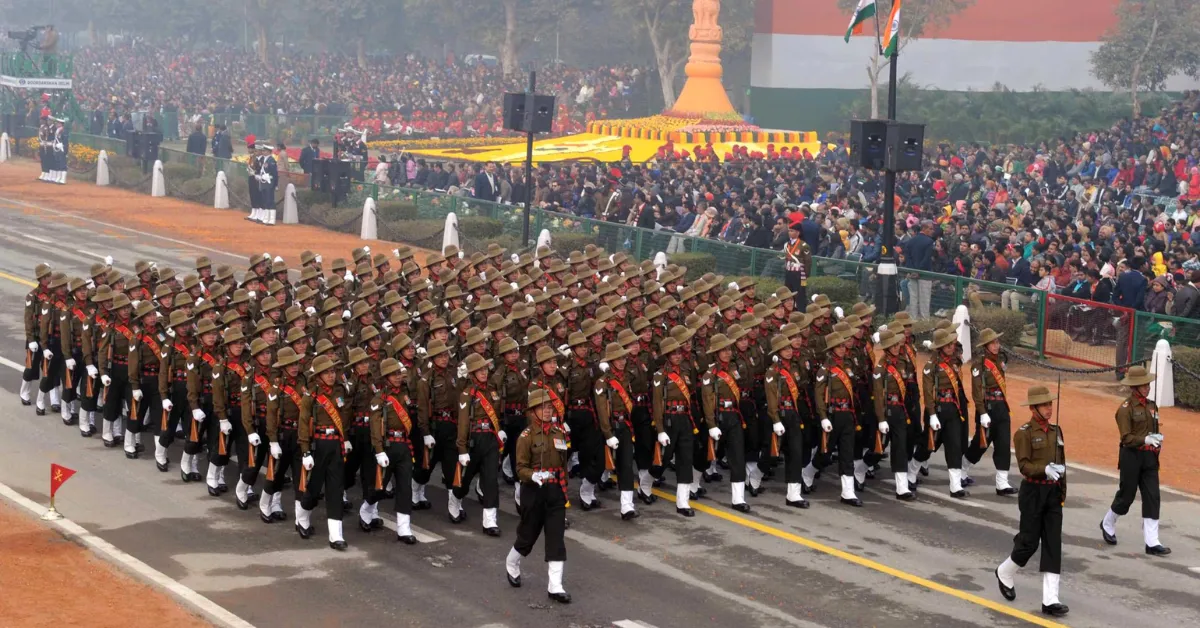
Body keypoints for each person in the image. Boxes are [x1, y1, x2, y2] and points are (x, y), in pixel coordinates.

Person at [994, 385, 1068, 618]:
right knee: (1028, 542)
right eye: (1045, 405)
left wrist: (1062, 491)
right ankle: (1004, 571)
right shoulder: (1024, 433)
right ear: (1034, 407)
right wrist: (1044, 470)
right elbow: (1024, 465)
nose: (1049, 408)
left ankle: (1050, 599)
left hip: (1052, 493)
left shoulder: (1057, 431)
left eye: (1050, 404)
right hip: (1033, 492)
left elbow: (1062, 464)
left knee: (1053, 544)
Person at [505, 388, 571, 604]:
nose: (547, 410)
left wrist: (563, 490)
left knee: (556, 538)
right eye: (542, 407)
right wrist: (533, 476)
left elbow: (563, 465)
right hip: (533, 491)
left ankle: (555, 586)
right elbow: (520, 468)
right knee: (527, 536)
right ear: (532, 411)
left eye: (549, 406)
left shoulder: (558, 432)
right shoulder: (525, 437)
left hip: (555, 492)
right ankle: (512, 562)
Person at [1099, 366, 1170, 556]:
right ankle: (1108, 522)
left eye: (1147, 384)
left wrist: (1156, 441)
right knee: (1126, 496)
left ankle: (1152, 541)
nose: (1147, 387)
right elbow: (1126, 438)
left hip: (1149, 458)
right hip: (1131, 456)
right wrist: (1145, 440)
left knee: (1153, 496)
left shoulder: (1152, 406)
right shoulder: (1125, 410)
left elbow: (1153, 429)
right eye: (1142, 385)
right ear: (1134, 387)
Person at [297, 355, 350, 550]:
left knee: (335, 488)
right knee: (314, 487)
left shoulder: (339, 391)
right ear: (318, 375)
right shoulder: (310, 396)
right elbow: (303, 424)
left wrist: (346, 439)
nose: (331, 375)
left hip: (336, 444)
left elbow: (344, 418)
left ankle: (336, 534)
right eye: (326, 372)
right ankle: (302, 517)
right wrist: (305, 451)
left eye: (333, 371)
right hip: (318, 445)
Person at [368, 357, 419, 544]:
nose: (398, 377)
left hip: (404, 445)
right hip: (387, 446)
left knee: (405, 487)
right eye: (394, 374)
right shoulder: (379, 399)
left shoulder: (405, 393)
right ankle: (366, 509)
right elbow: (375, 426)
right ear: (386, 377)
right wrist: (379, 450)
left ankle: (404, 527)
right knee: (379, 487)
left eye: (399, 373)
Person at [452, 353, 504, 535]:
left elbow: (497, 414)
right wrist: (462, 448)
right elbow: (463, 423)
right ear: (472, 374)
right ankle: (455, 498)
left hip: (489, 438)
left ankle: (490, 521)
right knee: (464, 481)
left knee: (490, 480)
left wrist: (499, 430)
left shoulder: (492, 389)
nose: (483, 372)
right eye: (479, 370)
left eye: (484, 369)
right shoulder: (467, 394)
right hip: (473, 439)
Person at [964, 328, 1019, 495]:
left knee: (1003, 444)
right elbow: (976, 391)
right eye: (993, 343)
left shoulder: (1000, 360)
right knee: (980, 444)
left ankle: (1002, 483)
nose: (996, 345)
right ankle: (962, 468)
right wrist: (982, 413)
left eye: (997, 342)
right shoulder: (979, 365)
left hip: (1001, 407)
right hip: (987, 408)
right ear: (985, 346)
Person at [814, 331, 862, 507]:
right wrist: (823, 417)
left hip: (847, 414)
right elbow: (819, 395)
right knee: (825, 454)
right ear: (832, 348)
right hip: (832, 415)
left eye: (844, 345)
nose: (843, 348)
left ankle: (848, 492)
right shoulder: (825, 369)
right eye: (839, 346)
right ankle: (807, 473)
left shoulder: (848, 365)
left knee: (847, 453)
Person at [923, 328, 969, 498]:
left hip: (954, 409)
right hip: (938, 409)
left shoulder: (954, 362)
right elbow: (928, 392)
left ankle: (955, 485)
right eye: (948, 345)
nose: (952, 347)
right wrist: (932, 414)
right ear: (940, 347)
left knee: (954, 446)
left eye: (952, 344)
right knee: (927, 446)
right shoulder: (931, 366)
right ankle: (912, 470)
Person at [872, 329, 915, 501]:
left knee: (900, 448)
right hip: (886, 410)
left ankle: (902, 487)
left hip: (899, 410)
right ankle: (859, 469)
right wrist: (881, 419)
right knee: (878, 449)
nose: (897, 347)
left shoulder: (903, 363)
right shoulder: (880, 368)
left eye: (898, 344)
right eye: (893, 345)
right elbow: (878, 395)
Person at [783, 223, 812, 309]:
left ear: (798, 233)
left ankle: (801, 312)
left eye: (792, 231)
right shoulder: (787, 244)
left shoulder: (803, 245)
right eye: (789, 231)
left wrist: (805, 274)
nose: (789, 233)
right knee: (787, 293)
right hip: (789, 271)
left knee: (800, 295)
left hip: (799, 273)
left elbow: (808, 262)